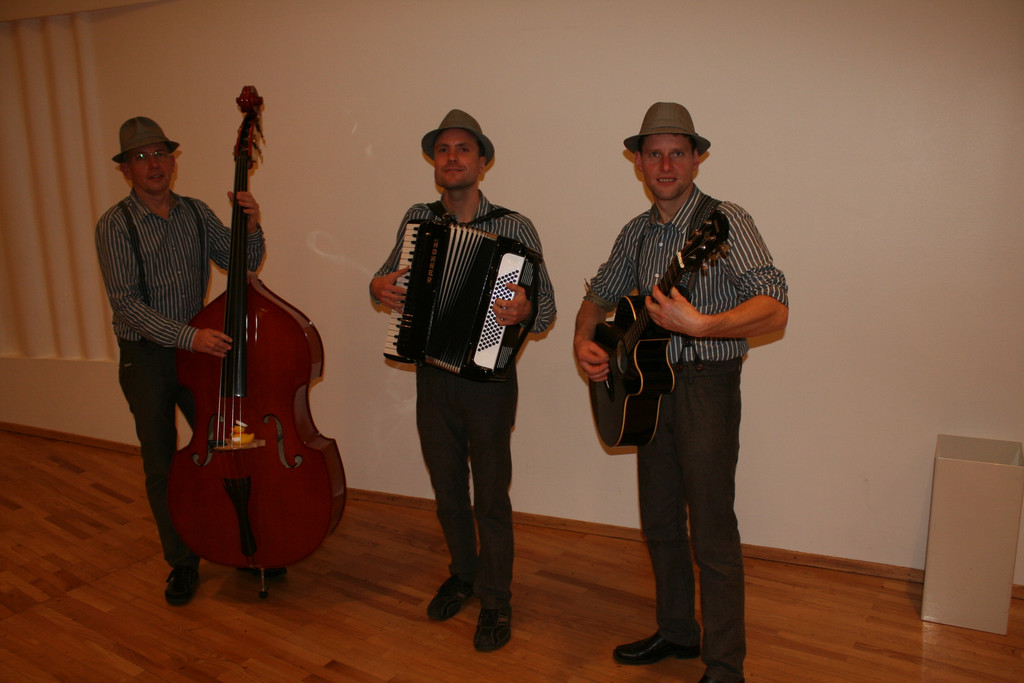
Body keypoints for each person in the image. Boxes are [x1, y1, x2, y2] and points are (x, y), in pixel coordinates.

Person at [573, 102, 788, 683]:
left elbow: (774, 307)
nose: (665, 165)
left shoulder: (726, 221)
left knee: (712, 531)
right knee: (661, 520)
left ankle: (725, 667)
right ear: (638, 162)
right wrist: (584, 340)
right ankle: (677, 631)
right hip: (648, 390)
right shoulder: (636, 233)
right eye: (654, 154)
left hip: (706, 387)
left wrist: (703, 324)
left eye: (677, 153)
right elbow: (597, 296)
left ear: (697, 159)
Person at [370, 109, 556, 652]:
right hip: (432, 374)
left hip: (489, 382)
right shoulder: (418, 220)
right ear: (434, 161)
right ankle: (464, 574)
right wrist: (378, 287)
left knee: (491, 495)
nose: (452, 158)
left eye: (463, 149)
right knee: (447, 487)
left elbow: (545, 308)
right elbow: (386, 278)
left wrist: (524, 311)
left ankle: (496, 597)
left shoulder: (515, 227)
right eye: (443, 149)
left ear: (483, 161)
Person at [95, 117, 265, 606]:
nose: (154, 164)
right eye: (141, 157)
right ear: (126, 169)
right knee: (163, 463)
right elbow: (126, 305)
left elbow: (242, 263)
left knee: (229, 447)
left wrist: (252, 227)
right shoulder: (115, 225)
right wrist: (190, 337)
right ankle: (183, 563)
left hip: (198, 352)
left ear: (173, 161)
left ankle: (244, 545)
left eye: (160, 154)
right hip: (147, 357)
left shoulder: (195, 212)